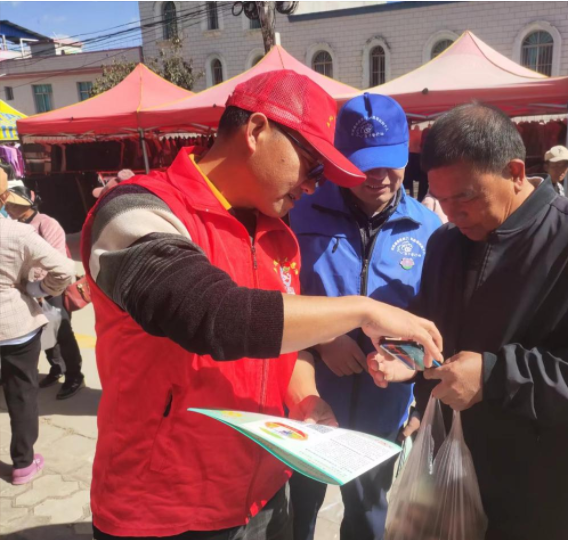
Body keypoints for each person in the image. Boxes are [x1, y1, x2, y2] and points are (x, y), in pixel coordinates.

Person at [82, 70, 442, 540]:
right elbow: (211, 314)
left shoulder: (278, 235)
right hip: (164, 509)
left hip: (263, 497)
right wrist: (363, 310)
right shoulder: (135, 209)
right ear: (255, 131)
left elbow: (280, 343)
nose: (312, 187)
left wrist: (304, 396)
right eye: (311, 166)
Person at [366, 103, 568, 540]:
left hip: (537, 488)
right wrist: (407, 356)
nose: (452, 214)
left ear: (515, 173)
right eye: (441, 199)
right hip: (445, 463)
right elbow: (434, 331)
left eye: (465, 197)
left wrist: (494, 376)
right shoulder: (445, 243)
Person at [288, 93, 442, 540]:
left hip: (384, 405)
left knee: (369, 513)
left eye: (389, 163)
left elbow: (435, 324)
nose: (378, 177)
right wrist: (322, 342)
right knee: (298, 507)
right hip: (309, 397)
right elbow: (273, 301)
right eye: (363, 164)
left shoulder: (429, 229)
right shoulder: (298, 212)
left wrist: (411, 370)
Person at [1, 169, 75, 484]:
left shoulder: (44, 225)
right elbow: (65, 270)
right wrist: (37, 289)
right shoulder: (16, 233)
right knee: (21, 394)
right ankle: (23, 464)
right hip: (14, 327)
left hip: (16, 326)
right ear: (3, 198)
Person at [4, 185, 86, 399]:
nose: (9, 208)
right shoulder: (15, 225)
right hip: (29, 289)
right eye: (8, 204)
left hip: (49, 289)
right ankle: (57, 368)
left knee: (62, 332)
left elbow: (57, 258)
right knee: (45, 333)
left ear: (28, 204)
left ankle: (75, 375)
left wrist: (40, 289)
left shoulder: (47, 223)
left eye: (13, 204)